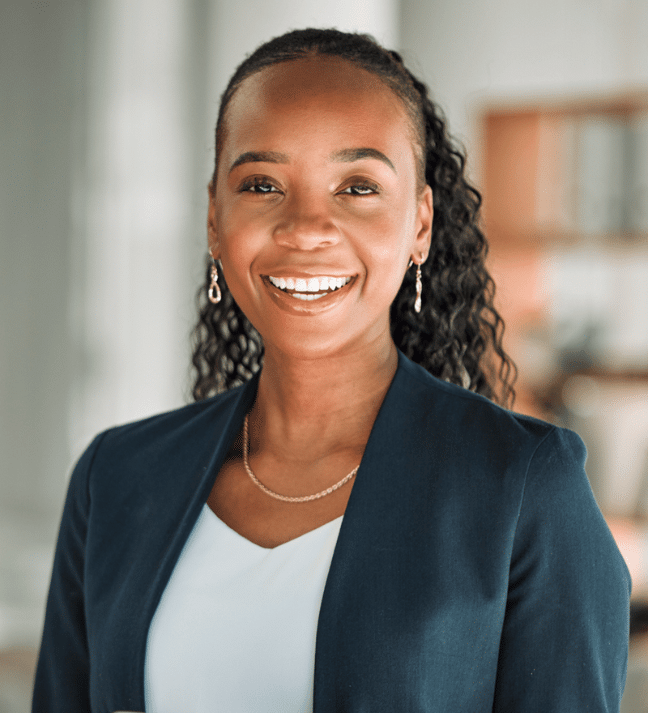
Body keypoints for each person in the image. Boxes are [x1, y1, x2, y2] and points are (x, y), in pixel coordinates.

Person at [33, 28, 630, 713]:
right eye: (262, 184)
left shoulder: (525, 487)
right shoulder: (116, 476)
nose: (306, 227)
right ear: (214, 219)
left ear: (421, 225)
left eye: (357, 186)